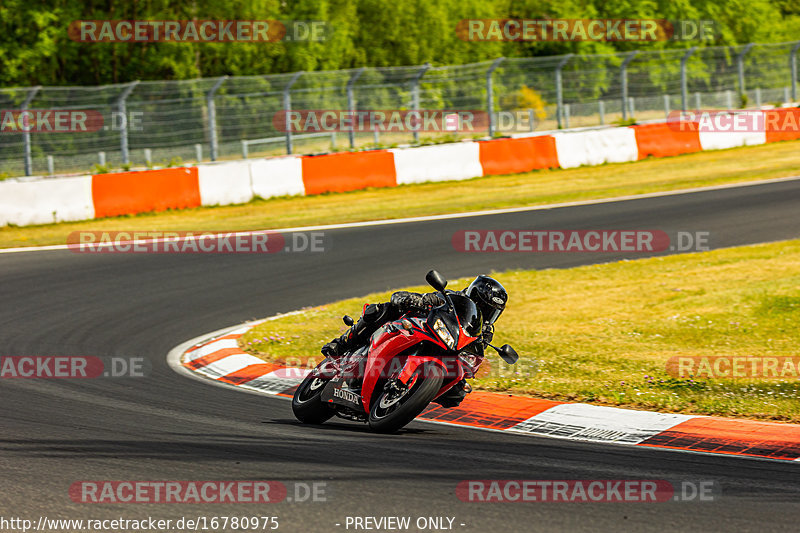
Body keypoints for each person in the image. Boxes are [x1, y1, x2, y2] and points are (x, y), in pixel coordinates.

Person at [321, 275, 508, 407]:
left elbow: (473, 356)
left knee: (457, 394)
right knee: (383, 309)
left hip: (443, 354)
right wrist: (416, 300)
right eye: (484, 306)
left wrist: (467, 370)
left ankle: (407, 395)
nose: (487, 313)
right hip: (416, 328)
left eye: (492, 311)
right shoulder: (451, 298)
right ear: (474, 296)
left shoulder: (483, 334)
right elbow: (427, 298)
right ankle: (342, 343)